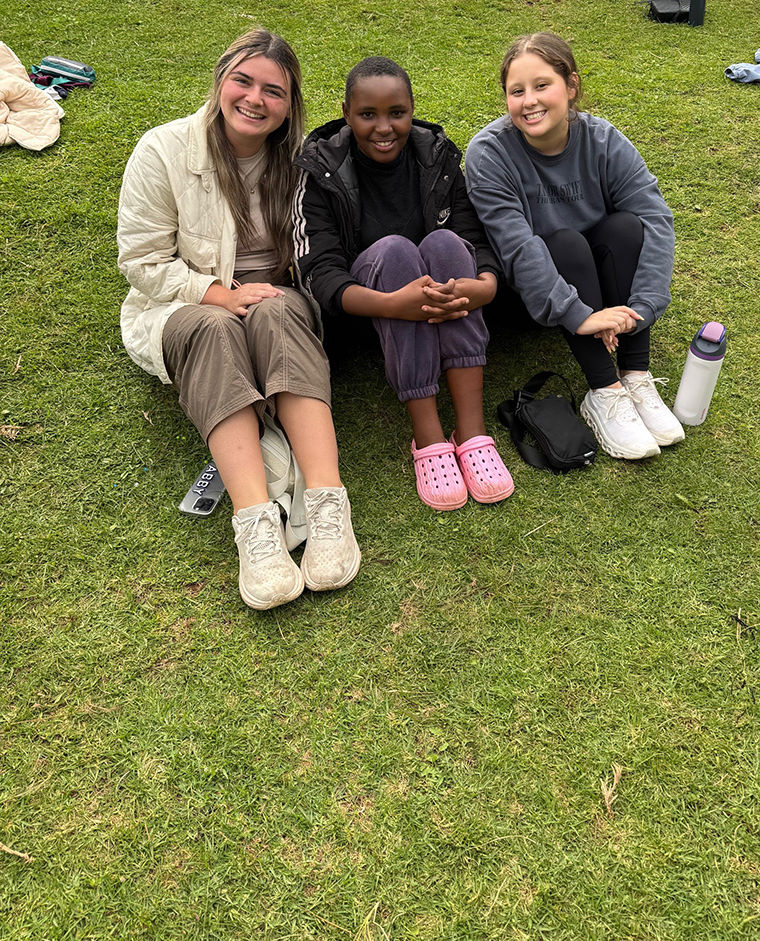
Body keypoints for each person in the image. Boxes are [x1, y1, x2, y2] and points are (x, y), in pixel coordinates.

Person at [117, 30, 360, 610]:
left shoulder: (304, 161)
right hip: (186, 306)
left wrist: (269, 294)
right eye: (243, 81)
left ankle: (329, 507)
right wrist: (212, 293)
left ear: (289, 104)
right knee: (215, 329)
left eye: (273, 91)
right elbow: (142, 261)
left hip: (278, 300)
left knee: (275, 312)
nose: (255, 99)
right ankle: (256, 528)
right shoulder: (165, 149)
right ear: (221, 81)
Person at [291, 56, 514, 511]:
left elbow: (476, 235)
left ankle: (471, 431)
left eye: (397, 113)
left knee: (448, 243)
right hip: (368, 308)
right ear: (346, 113)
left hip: (440, 297)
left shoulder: (438, 155)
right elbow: (320, 274)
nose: (383, 127)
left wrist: (485, 286)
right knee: (395, 250)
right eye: (367, 115)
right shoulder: (320, 170)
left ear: (412, 110)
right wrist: (395, 304)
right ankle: (428, 434)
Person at [465, 32, 684, 460]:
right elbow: (516, 246)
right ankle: (604, 391)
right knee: (563, 242)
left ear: (571, 86)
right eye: (516, 91)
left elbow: (656, 217)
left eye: (542, 85)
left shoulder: (603, 140)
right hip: (530, 294)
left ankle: (635, 375)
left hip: (600, 284)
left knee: (627, 227)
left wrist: (645, 304)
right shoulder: (489, 154)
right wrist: (577, 313)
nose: (529, 101)